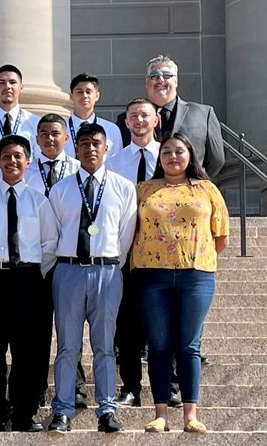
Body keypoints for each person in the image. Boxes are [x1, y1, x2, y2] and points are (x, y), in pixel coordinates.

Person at [131, 133, 228, 434]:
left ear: (190, 156)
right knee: (158, 344)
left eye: (179, 151)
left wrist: (193, 253)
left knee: (188, 345)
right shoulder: (144, 189)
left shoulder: (207, 189)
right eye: (167, 152)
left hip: (195, 275)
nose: (173, 157)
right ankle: (160, 413)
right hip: (151, 275)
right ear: (159, 158)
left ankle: (190, 415)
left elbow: (221, 237)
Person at [45, 124, 137, 434]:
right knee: (67, 347)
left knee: (105, 346)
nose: (90, 149)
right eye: (83, 143)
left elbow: (125, 235)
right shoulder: (61, 189)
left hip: (106, 271)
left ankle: (107, 409)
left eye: (96, 143)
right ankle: (62, 409)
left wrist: (109, 262)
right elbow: (53, 234)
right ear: (75, 148)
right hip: (69, 271)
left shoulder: (123, 188)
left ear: (107, 146)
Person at [0, 135, 58, 433]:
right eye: (6, 156)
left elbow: (49, 244)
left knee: (26, 351)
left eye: (18, 156)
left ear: (28, 161)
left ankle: (25, 412)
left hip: (28, 280)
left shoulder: (39, 201)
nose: (12, 161)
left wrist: (35, 275)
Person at [24, 114, 85, 408]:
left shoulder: (78, 171)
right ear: (37, 140)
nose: (49, 139)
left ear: (66, 138)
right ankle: (36, 388)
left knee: (70, 329)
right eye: (44, 134)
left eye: (55, 133)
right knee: (36, 331)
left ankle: (76, 386)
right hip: (37, 263)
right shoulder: (26, 172)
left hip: (71, 260)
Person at [105, 97, 161, 407]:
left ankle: (170, 387)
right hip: (126, 253)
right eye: (133, 116)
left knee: (162, 324)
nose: (139, 120)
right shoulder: (114, 163)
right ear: (125, 123)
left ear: (156, 121)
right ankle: (130, 388)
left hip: (162, 255)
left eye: (145, 115)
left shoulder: (169, 156)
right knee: (126, 325)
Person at [117, 55, 225, 177]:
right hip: (140, 190)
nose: (160, 80)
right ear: (147, 83)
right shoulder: (126, 119)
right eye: (154, 76)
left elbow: (217, 160)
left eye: (167, 75)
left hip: (188, 191)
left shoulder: (203, 114)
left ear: (176, 81)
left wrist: (195, 182)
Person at [63, 73, 122, 160]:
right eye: (79, 92)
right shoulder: (61, 129)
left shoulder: (111, 130)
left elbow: (116, 163)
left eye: (88, 92)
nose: (84, 96)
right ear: (71, 96)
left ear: (97, 96)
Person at [0, 65, 40, 158]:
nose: (7, 86)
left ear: (21, 87)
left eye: (12, 82)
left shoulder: (35, 122)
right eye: (2, 83)